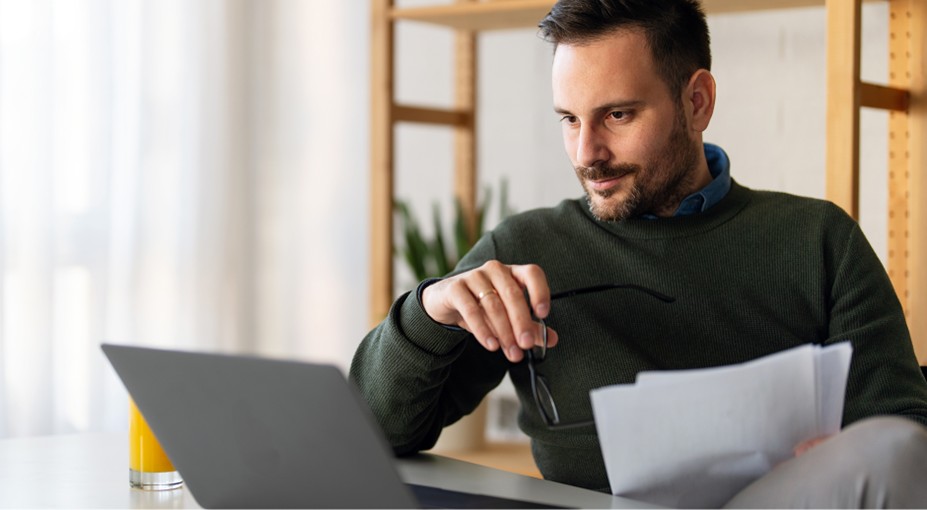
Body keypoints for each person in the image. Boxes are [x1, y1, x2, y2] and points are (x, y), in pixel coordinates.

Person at [350, 0, 927, 506]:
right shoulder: (524, 252)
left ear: (697, 102)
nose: (586, 153)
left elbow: (904, 439)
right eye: (569, 119)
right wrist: (429, 312)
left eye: (617, 115)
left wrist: (841, 459)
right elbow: (370, 433)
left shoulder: (819, 240)